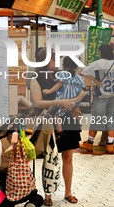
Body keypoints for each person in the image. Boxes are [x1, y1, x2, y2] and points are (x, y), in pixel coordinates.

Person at [30, 47, 85, 206]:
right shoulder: (36, 78)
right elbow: (38, 102)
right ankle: (48, 194)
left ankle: (68, 192)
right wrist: (60, 102)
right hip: (48, 122)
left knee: (68, 156)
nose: (58, 62)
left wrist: (74, 103)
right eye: (55, 58)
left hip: (69, 120)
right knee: (49, 158)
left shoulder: (64, 74)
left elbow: (78, 90)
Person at [79, 44, 114, 154]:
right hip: (113, 97)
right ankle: (110, 145)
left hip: (100, 97)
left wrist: (96, 81)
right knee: (111, 121)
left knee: (96, 120)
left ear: (101, 52)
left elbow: (83, 72)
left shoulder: (96, 64)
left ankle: (89, 143)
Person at [42, 56, 85, 133]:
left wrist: (50, 90)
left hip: (64, 97)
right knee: (77, 112)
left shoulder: (63, 74)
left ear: (64, 65)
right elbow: (81, 86)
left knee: (58, 115)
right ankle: (78, 125)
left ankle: (59, 131)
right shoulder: (77, 75)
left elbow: (59, 84)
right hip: (74, 97)